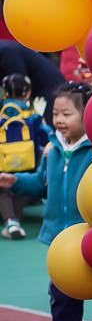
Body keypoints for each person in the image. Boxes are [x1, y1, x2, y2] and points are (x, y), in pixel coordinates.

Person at [0, 81, 92, 321]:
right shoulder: (52, 149)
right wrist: (16, 182)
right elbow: (42, 184)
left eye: (67, 114)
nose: (59, 120)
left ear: (87, 115)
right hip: (59, 238)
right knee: (62, 295)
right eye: (56, 113)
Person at [0, 72, 49, 239]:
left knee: (4, 189)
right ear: (27, 93)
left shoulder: (1, 113)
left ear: (5, 93)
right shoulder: (32, 115)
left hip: (3, 160)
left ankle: (11, 221)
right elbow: (44, 136)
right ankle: (17, 220)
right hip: (27, 161)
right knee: (19, 185)